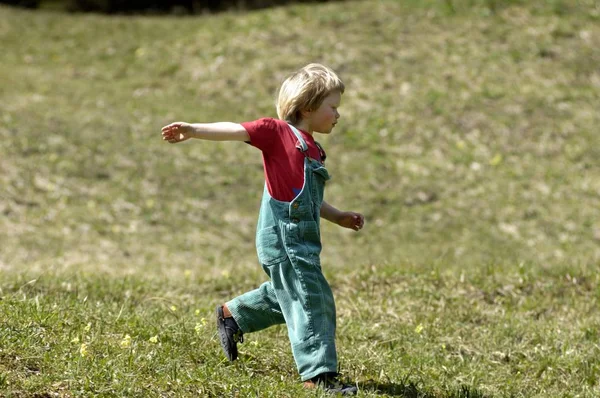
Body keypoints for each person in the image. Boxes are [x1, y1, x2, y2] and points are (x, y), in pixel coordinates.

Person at [161, 63, 365, 395]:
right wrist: (193, 129)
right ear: (308, 107)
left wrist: (338, 215)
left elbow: (311, 201)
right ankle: (319, 376)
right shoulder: (277, 133)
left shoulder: (315, 150)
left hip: (304, 239)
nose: (338, 114)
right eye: (333, 107)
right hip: (283, 237)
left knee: (291, 292)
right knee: (311, 297)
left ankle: (234, 315)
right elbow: (237, 129)